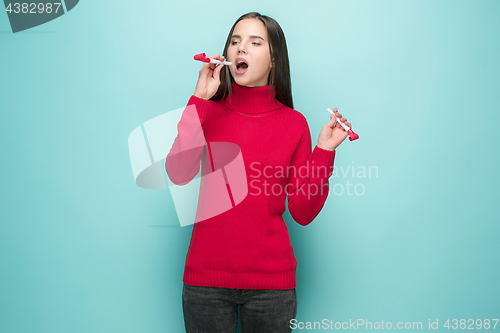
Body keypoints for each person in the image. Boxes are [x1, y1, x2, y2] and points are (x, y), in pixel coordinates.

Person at [165, 11, 352, 333]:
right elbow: (178, 172)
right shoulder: (207, 110)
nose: (241, 48)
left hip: (272, 288)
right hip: (204, 284)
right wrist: (198, 99)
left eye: (254, 42)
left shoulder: (294, 124)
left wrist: (324, 152)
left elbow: (303, 212)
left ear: (274, 60)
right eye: (235, 41)